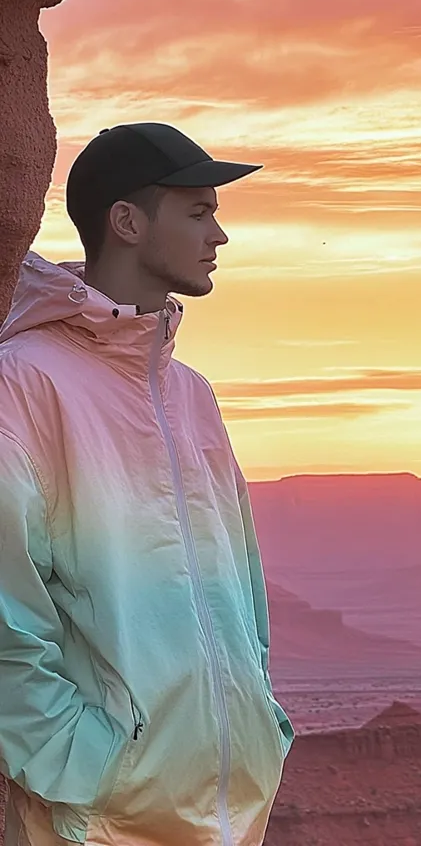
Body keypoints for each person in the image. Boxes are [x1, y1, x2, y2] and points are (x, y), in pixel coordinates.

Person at [0, 123, 294, 846]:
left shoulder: (191, 393)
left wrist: (262, 722)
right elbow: (7, 612)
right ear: (127, 223)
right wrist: (88, 768)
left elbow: (241, 583)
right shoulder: (27, 383)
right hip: (100, 822)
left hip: (229, 816)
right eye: (198, 212)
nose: (219, 234)